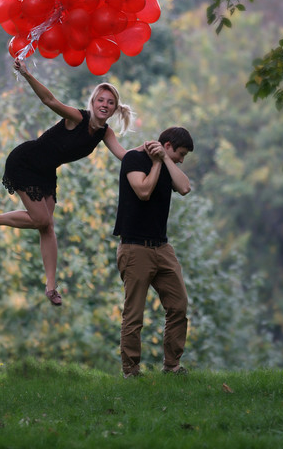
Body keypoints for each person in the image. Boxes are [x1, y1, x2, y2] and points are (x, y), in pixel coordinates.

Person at [0, 58, 136, 306]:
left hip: (47, 172)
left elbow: (124, 156)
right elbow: (50, 100)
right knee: (42, 220)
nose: (105, 104)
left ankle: (51, 288)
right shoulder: (77, 118)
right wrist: (26, 74)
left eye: (110, 102)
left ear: (114, 109)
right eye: (101, 100)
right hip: (26, 161)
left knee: (46, 227)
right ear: (92, 103)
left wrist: (152, 155)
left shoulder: (105, 133)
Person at [114, 126, 194, 377]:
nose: (181, 159)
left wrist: (166, 160)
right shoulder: (133, 159)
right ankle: (131, 370)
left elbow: (184, 188)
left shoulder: (169, 162)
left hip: (162, 248)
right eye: (180, 153)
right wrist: (159, 162)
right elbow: (144, 191)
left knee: (179, 305)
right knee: (134, 314)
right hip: (135, 248)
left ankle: (172, 366)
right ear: (168, 145)